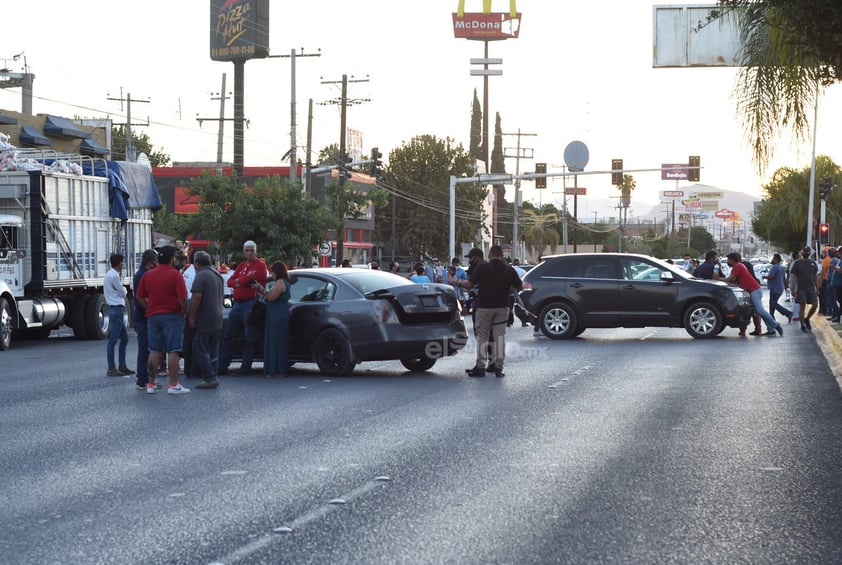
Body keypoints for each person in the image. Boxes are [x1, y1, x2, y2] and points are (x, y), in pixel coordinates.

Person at [456, 245, 523, 378]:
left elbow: (469, 285)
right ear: (502, 255)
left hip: (484, 307)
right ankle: (498, 368)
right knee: (499, 337)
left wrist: (456, 282)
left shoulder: (483, 268)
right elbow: (519, 286)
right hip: (502, 307)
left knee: (483, 338)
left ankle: (480, 367)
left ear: (490, 255)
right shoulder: (509, 270)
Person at [135, 245, 190, 394]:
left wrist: (149, 308)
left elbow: (139, 295)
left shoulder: (148, 275)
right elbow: (183, 298)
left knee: (154, 350)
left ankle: (151, 384)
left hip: (153, 316)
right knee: (173, 349)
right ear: (172, 259)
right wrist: (184, 311)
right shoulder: (175, 275)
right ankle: (173, 384)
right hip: (172, 315)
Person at [219, 240, 269, 375]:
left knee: (249, 337)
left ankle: (245, 367)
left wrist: (240, 282)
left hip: (250, 303)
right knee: (229, 335)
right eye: (247, 250)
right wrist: (243, 281)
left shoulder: (260, 265)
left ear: (256, 251)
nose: (249, 252)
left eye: (252, 250)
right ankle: (222, 366)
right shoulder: (241, 265)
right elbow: (229, 282)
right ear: (243, 251)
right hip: (237, 304)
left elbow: (251, 280)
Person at [717, 251, 783, 337]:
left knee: (760, 310)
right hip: (755, 290)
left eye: (728, 260)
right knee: (760, 312)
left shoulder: (737, 266)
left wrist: (717, 278)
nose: (728, 262)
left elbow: (729, 279)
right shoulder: (740, 265)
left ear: (732, 260)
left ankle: (776, 325)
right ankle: (771, 329)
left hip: (754, 290)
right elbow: (733, 280)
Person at [187, 251, 224, 390]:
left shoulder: (200, 275)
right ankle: (214, 373)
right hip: (217, 316)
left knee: (200, 347)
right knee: (213, 349)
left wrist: (191, 315)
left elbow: (197, 297)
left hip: (205, 317)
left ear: (196, 263)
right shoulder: (217, 274)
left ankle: (209, 377)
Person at [255, 260, 291, 378]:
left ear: (277, 272)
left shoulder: (280, 282)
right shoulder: (285, 281)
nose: (272, 275)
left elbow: (271, 297)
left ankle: (275, 370)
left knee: (275, 341)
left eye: (273, 272)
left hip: (277, 314)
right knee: (278, 341)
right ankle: (278, 369)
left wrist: (261, 289)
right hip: (279, 313)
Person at [133, 249, 158, 390]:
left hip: (142, 317)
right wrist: (151, 310)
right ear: (150, 262)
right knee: (145, 349)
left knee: (146, 349)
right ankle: (143, 378)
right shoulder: (143, 275)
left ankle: (145, 377)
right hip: (144, 318)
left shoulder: (141, 274)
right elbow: (141, 297)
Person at [105, 253, 133, 377]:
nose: (123, 264)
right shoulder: (115, 276)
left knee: (124, 339)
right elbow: (122, 293)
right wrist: (125, 290)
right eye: (122, 262)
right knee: (113, 340)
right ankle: (112, 367)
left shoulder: (109, 274)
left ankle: (121, 366)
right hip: (117, 309)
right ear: (118, 263)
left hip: (114, 309)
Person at [790, 246, 821, 333]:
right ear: (802, 253)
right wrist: (792, 288)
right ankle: (802, 325)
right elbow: (794, 276)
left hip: (811, 288)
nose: (806, 253)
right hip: (801, 288)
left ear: (810, 253)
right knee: (802, 306)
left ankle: (807, 318)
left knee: (815, 304)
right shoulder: (797, 263)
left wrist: (817, 288)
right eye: (805, 251)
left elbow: (815, 276)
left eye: (808, 251)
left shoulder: (813, 264)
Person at [764, 253, 792, 323]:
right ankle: (772, 319)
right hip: (779, 288)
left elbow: (771, 276)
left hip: (775, 289)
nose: (772, 260)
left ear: (775, 259)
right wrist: (786, 288)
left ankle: (788, 313)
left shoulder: (775, 267)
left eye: (773, 258)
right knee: (772, 304)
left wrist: (764, 276)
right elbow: (784, 279)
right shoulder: (781, 267)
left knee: (773, 304)